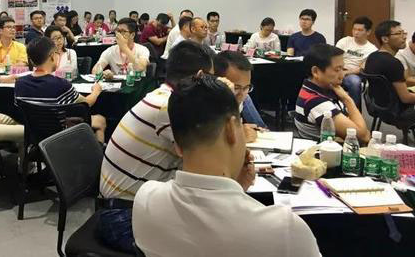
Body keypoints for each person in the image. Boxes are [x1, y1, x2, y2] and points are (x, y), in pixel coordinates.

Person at [133, 74, 320, 257]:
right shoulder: (284, 230)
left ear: (178, 146)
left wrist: (236, 188)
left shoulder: (146, 200)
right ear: (231, 128)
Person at [97, 41, 228, 252]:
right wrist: (227, 102)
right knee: (211, 242)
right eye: (212, 78)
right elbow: (212, 159)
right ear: (200, 76)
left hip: (136, 204)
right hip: (122, 216)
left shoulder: (166, 96)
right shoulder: (167, 107)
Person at [14, 37, 107, 143]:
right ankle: (96, 152)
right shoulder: (61, 85)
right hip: (61, 137)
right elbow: (86, 104)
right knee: (101, 120)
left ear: (31, 60)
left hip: (34, 136)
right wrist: (96, 91)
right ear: (52, 56)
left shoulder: (20, 83)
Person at [295, 44, 370, 144]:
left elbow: (361, 130)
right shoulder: (316, 102)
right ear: (316, 71)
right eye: (337, 70)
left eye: (343, 69)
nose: (342, 75)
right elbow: (364, 136)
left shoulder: (326, 89)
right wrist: (347, 99)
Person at [364, 20, 415, 118]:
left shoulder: (372, 56)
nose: (404, 37)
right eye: (398, 34)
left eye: (403, 33)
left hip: (376, 106)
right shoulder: (393, 63)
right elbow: (406, 98)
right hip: (396, 112)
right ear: (385, 39)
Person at [219, 51, 268, 139]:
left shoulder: (243, 97)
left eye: (246, 87)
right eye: (236, 88)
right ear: (219, 81)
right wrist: (238, 135)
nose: (241, 95)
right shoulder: (204, 102)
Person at [335, 16, 377, 109]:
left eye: (360, 30)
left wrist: (345, 72)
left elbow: (362, 68)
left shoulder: (372, 49)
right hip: (338, 70)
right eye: (354, 29)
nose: (356, 32)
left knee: (354, 82)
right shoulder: (345, 41)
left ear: (368, 32)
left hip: (354, 74)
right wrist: (339, 71)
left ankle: (355, 111)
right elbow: (334, 57)